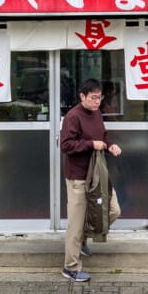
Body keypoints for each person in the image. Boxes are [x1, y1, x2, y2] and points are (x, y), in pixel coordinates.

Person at [59, 78, 121, 282]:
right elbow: (66, 146)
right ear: (82, 96)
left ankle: (84, 237)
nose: (97, 102)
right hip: (78, 176)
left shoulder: (96, 114)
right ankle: (71, 267)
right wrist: (90, 144)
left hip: (97, 174)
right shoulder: (73, 117)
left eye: (99, 97)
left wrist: (109, 146)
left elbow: (102, 137)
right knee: (75, 224)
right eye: (93, 98)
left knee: (113, 211)